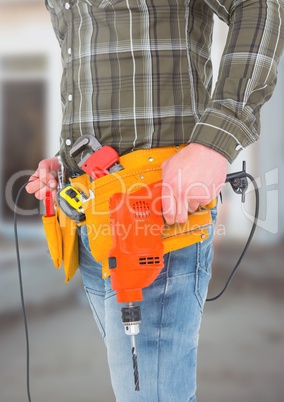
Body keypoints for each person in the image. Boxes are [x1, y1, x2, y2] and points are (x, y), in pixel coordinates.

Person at [26, 0, 284, 400]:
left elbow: (258, 7)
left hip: (155, 212)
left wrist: (213, 144)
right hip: (92, 217)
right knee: (135, 387)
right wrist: (66, 163)